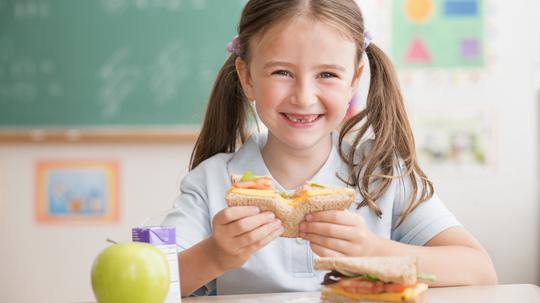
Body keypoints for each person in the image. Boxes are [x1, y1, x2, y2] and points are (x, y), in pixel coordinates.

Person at [162, 0, 497, 297]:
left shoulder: (380, 173)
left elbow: (479, 271)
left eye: (327, 74)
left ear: (354, 79)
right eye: (282, 72)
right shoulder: (211, 182)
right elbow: (148, 286)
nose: (304, 96)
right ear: (247, 77)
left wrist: (372, 249)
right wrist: (214, 256)